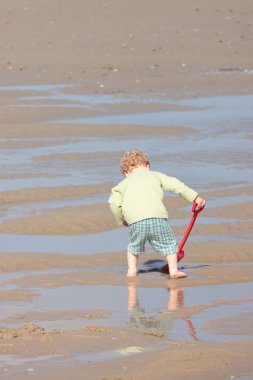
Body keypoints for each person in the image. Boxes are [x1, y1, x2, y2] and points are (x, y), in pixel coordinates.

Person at [108, 150, 206, 278]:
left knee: (134, 247)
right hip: (158, 218)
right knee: (169, 244)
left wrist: (121, 220)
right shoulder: (156, 175)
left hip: (136, 222)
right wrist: (195, 198)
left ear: (126, 172)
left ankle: (131, 270)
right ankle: (173, 270)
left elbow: (114, 204)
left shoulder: (121, 185)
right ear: (147, 166)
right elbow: (177, 186)